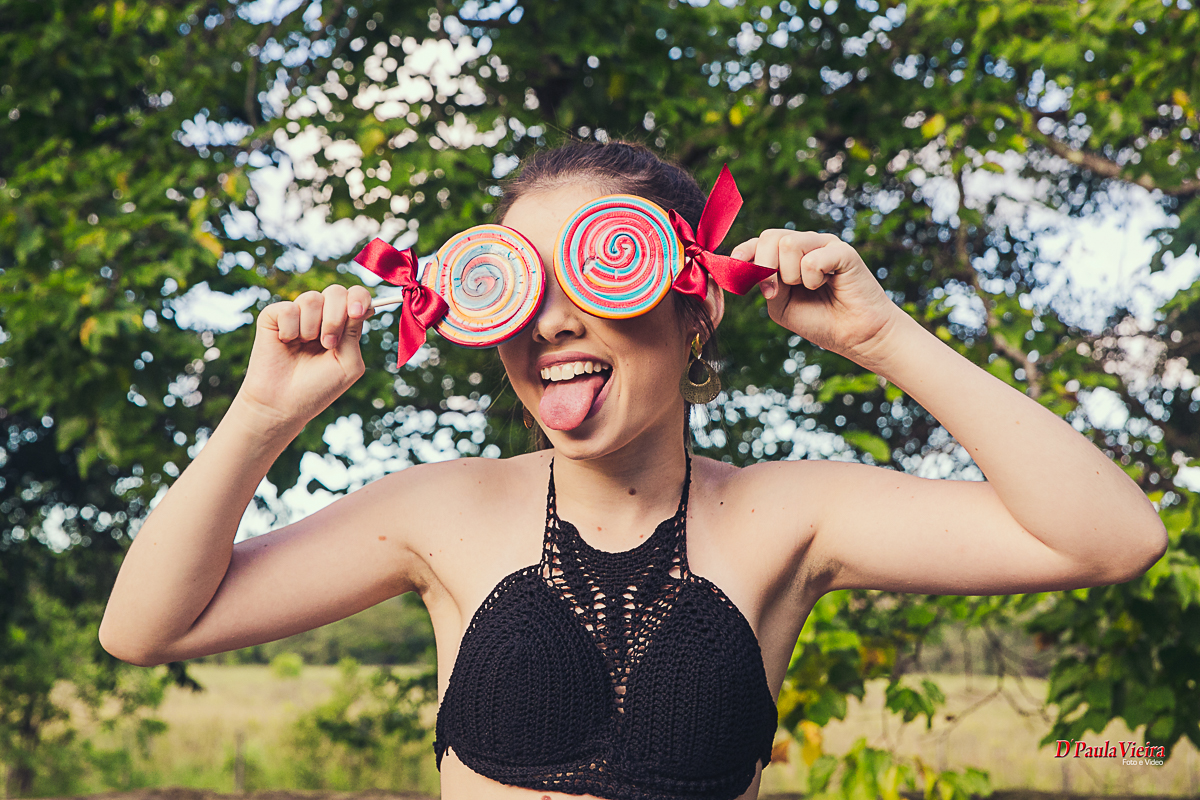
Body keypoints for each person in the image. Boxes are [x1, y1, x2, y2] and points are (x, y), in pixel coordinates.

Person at [99, 141, 1168, 800]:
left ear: (690, 303)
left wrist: (882, 336)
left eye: (598, 270)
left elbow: (1111, 535)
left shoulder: (793, 516)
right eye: (521, 284)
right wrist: (260, 414)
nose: (555, 317)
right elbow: (145, 627)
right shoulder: (440, 509)